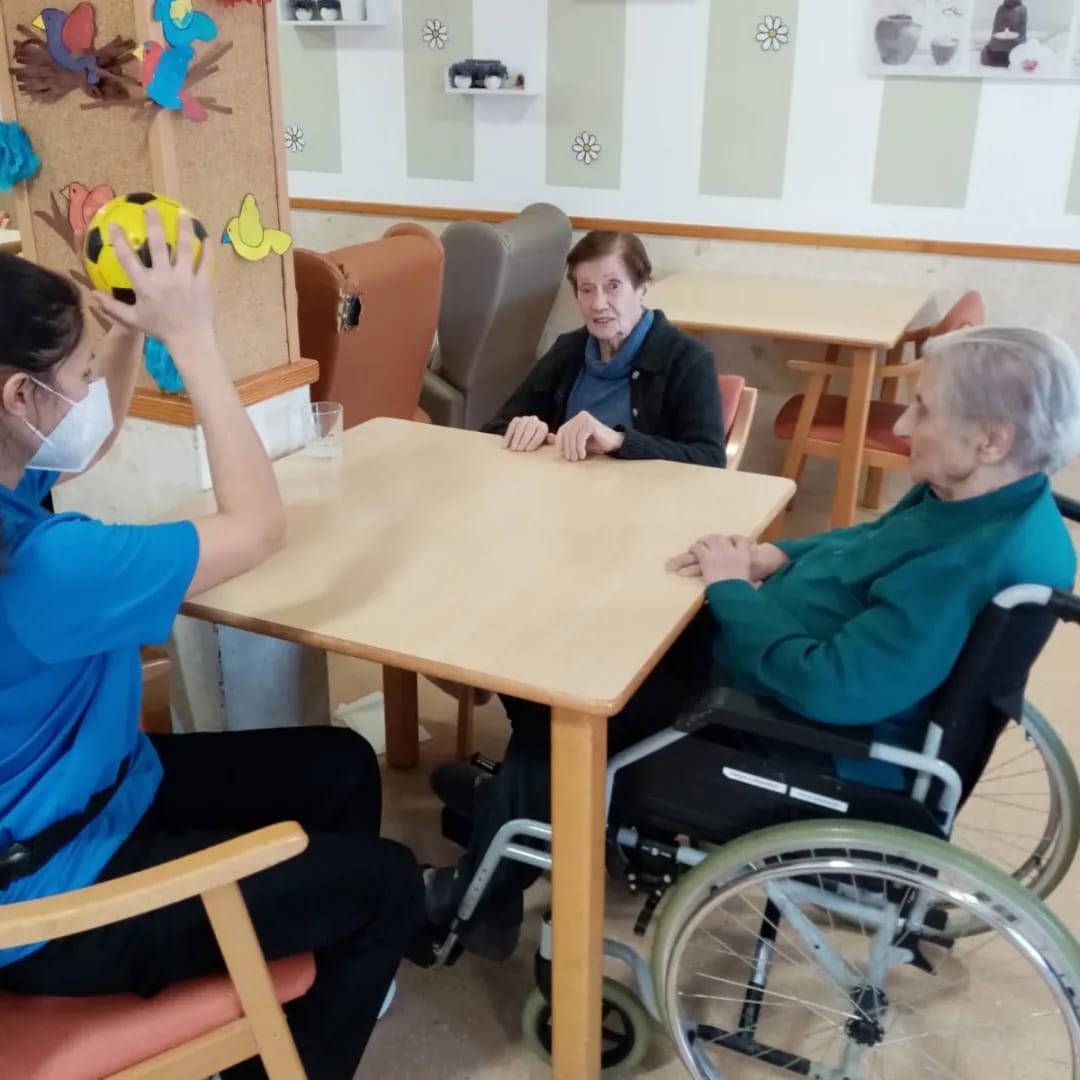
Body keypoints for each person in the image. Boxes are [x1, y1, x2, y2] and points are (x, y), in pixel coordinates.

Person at [427, 324, 1080, 956]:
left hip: (794, 728)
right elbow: (866, 542)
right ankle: (527, 804)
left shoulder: (965, 563)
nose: (903, 425)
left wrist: (733, 589)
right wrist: (777, 554)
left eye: (923, 409)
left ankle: (480, 898)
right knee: (574, 633)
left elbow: (830, 686)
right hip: (770, 654)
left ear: (991, 439)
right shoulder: (978, 500)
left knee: (572, 697)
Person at [0, 215, 422, 1080]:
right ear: (19, 398)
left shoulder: (12, 488)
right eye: (78, 374)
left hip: (93, 796)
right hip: (56, 898)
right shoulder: (48, 567)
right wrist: (192, 341)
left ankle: (306, 974)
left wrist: (123, 334)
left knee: (341, 764)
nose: (90, 389)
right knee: (388, 886)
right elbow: (258, 526)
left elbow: (91, 436)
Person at [483, 230, 727, 468]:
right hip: (564, 488)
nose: (598, 304)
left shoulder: (688, 359)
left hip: (646, 494)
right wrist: (526, 429)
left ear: (642, 288)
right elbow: (494, 428)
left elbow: (710, 459)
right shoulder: (568, 350)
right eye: (587, 290)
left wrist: (619, 441)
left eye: (613, 286)